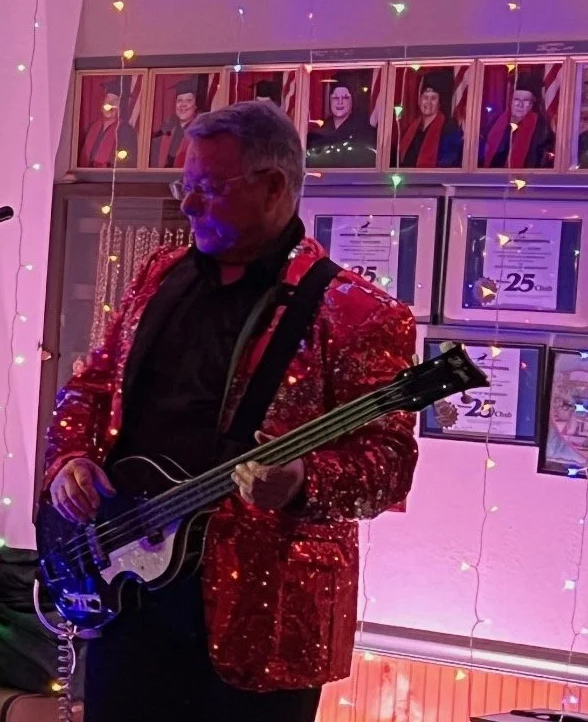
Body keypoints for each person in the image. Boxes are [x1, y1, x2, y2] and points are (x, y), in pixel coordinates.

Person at [42, 101, 418, 722]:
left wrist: (301, 482)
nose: (187, 205)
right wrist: (71, 459)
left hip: (263, 619)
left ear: (274, 188)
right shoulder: (159, 276)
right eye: (183, 186)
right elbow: (90, 385)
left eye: (207, 189)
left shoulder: (359, 313)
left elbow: (389, 466)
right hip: (128, 587)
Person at [479, 72, 555, 168]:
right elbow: (481, 152)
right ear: (511, 100)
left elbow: (545, 160)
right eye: (516, 99)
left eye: (526, 100)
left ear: (532, 103)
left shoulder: (541, 127)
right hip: (492, 179)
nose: (520, 105)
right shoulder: (496, 121)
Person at [393, 71, 463, 168]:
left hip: (432, 181)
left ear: (440, 102)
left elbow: (448, 164)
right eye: (425, 97)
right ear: (420, 99)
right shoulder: (412, 127)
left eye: (433, 98)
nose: (428, 102)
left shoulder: (449, 129)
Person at [305, 74, 377, 168]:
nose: (340, 102)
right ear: (330, 101)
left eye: (345, 98)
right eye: (335, 98)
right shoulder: (316, 134)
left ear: (353, 101)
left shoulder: (365, 132)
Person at [78, 78, 138, 168]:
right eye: (107, 102)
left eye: (114, 102)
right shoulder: (91, 128)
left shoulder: (126, 131)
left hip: (108, 178)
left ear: (119, 107)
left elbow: (127, 162)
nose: (110, 106)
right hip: (87, 176)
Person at [149, 79, 200, 168]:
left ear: (195, 106)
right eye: (179, 100)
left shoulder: (200, 134)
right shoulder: (164, 132)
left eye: (189, 101)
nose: (183, 105)